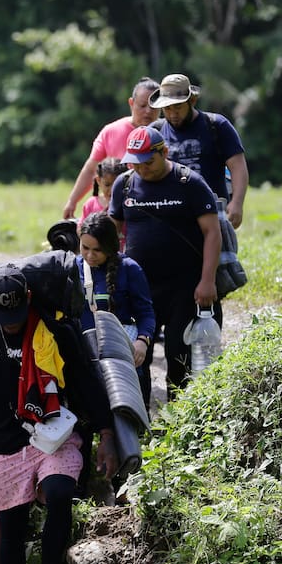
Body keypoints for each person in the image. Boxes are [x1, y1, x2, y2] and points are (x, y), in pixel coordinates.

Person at [0, 266, 119, 564]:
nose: (10, 323)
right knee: (12, 526)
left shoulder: (54, 331)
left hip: (53, 432)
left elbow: (85, 381)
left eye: (14, 315)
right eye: (1, 316)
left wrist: (106, 432)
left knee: (60, 492)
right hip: (3, 440)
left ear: (28, 299)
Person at [109, 125, 221, 399]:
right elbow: (110, 235)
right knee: (136, 356)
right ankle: (140, 424)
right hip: (138, 288)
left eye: (148, 162)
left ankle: (178, 421)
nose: (142, 170)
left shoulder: (189, 183)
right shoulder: (123, 185)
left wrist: (207, 281)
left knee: (178, 353)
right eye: (136, 164)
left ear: (165, 152)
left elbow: (212, 233)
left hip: (184, 286)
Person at [148, 73, 249, 229]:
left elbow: (238, 167)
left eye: (178, 107)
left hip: (213, 213)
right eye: (167, 109)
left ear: (192, 101)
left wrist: (237, 202)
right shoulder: (155, 132)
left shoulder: (217, 126)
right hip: (170, 216)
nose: (173, 114)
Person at [76, 211, 155, 404]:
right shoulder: (72, 267)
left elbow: (146, 313)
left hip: (122, 353)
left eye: (97, 250)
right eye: (85, 248)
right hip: (85, 354)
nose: (89, 255)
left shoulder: (129, 269)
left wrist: (142, 342)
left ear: (111, 247)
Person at [60, 77, 160, 220]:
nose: (148, 111)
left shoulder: (166, 133)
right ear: (131, 103)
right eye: (142, 106)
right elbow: (91, 169)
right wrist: (72, 201)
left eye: (154, 106)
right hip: (116, 210)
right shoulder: (111, 131)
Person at [79, 158, 124, 225]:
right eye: (107, 185)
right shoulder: (91, 204)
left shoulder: (129, 203)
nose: (112, 190)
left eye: (117, 185)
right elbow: (81, 228)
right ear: (98, 181)